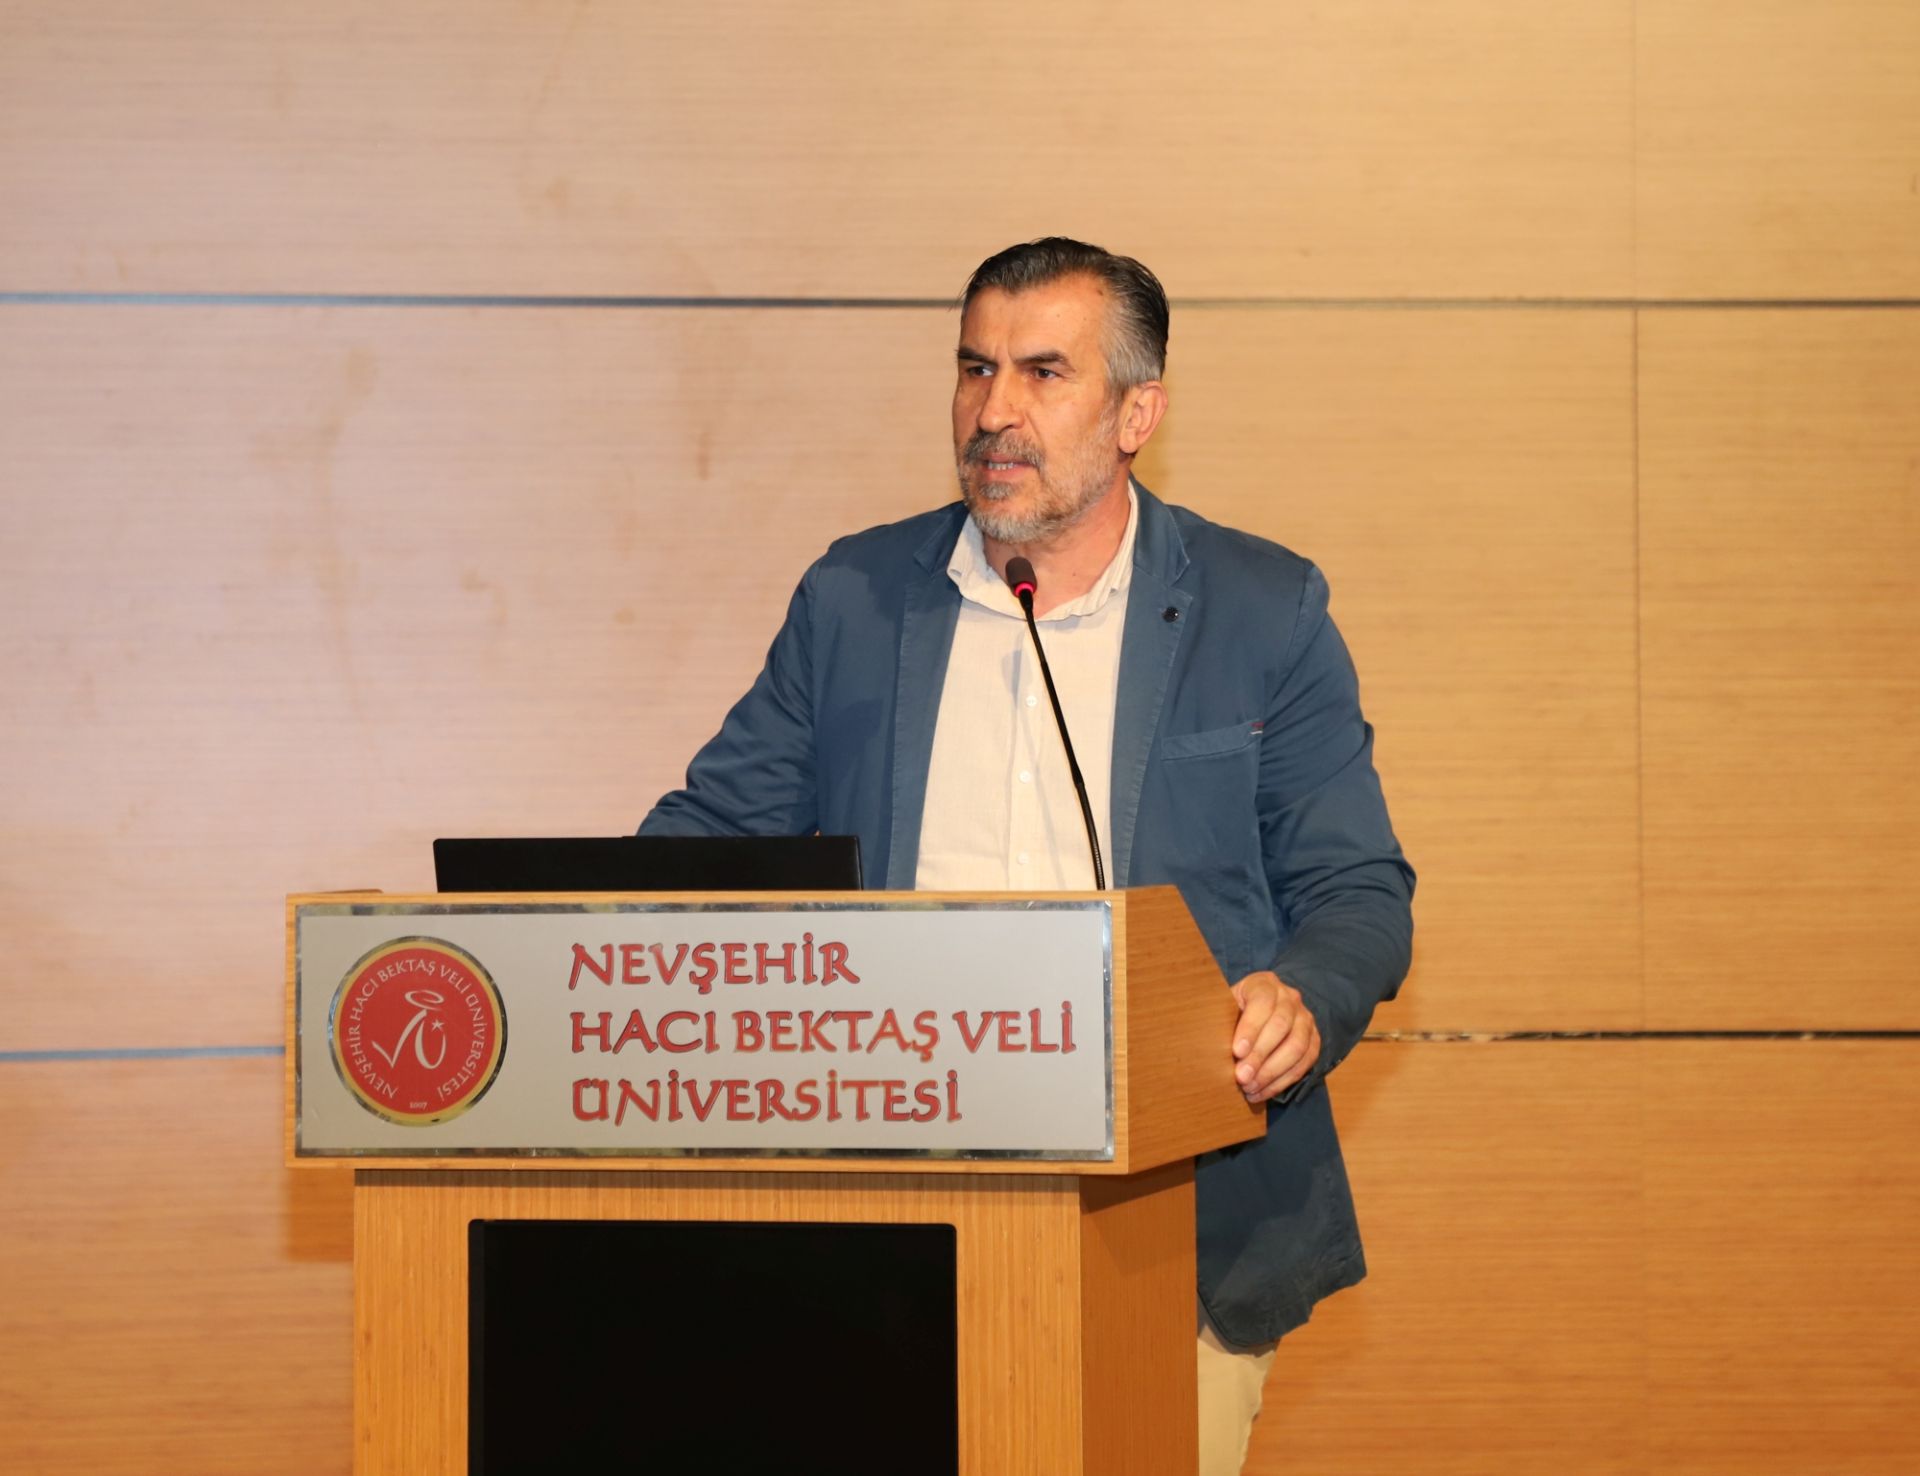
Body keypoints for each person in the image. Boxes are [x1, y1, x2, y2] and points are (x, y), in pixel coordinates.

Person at [640, 236, 1414, 1475]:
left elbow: (1357, 889)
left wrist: (1302, 1001)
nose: (994, 410)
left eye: (1044, 372)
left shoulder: (1264, 610)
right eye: (975, 368)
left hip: (1174, 1225)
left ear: (1136, 414)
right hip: (882, 1231)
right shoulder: (856, 599)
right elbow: (707, 845)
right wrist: (577, 941)